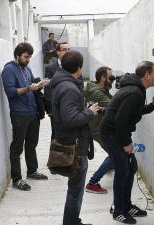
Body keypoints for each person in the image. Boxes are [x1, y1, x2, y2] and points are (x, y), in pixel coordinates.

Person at [100, 61, 154, 224]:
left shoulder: (136, 89)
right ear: (146, 75)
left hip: (118, 132)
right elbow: (120, 120)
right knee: (122, 170)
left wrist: (152, 106)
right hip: (113, 133)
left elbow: (133, 111)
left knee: (130, 167)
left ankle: (126, 205)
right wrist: (127, 144)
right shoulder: (134, 92)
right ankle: (118, 210)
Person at [50, 50, 100, 225]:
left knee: (74, 189)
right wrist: (90, 112)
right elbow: (70, 119)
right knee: (76, 190)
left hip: (74, 142)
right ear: (79, 67)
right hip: (75, 146)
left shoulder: (63, 83)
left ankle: (72, 221)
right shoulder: (69, 88)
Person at [1, 42, 48, 191]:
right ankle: (17, 179)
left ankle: (32, 171)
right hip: (19, 114)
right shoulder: (9, 70)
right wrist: (29, 88)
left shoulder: (27, 69)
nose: (28, 60)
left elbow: (33, 86)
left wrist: (40, 85)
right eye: (26, 57)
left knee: (31, 144)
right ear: (17, 55)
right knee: (17, 147)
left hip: (33, 112)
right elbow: (11, 92)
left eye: (29, 57)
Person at [84, 67, 115, 194]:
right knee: (116, 153)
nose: (113, 80)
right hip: (98, 128)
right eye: (111, 78)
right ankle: (93, 182)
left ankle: (109, 166)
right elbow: (113, 105)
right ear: (103, 78)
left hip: (100, 125)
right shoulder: (96, 92)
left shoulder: (101, 89)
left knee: (114, 152)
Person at [44, 42, 70, 140]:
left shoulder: (74, 66)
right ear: (58, 52)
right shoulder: (50, 68)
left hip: (71, 107)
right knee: (56, 135)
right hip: (56, 109)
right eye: (64, 50)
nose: (67, 52)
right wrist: (50, 109)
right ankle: (55, 155)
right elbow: (47, 89)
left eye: (69, 50)